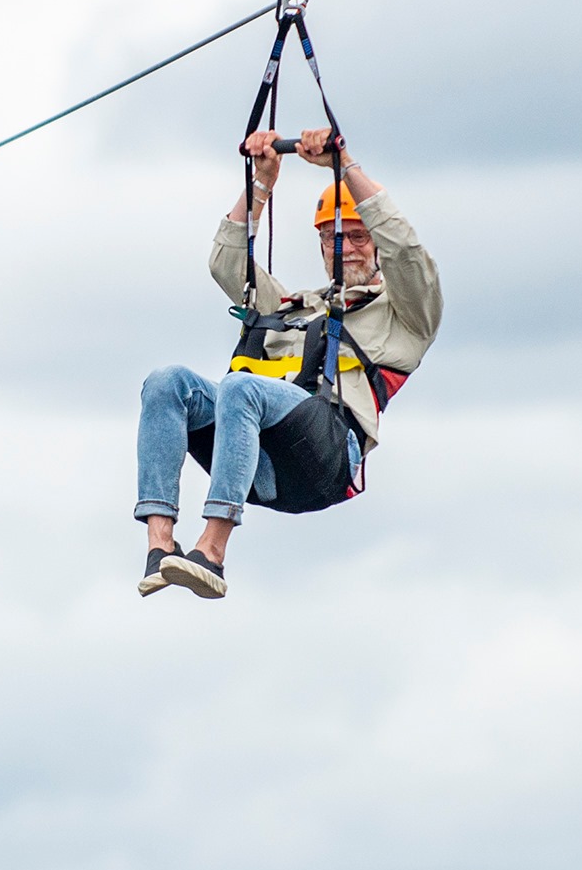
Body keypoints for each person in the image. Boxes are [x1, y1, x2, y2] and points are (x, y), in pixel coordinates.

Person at [135, 130, 441, 601]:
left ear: (375, 244)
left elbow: (407, 252)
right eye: (334, 237)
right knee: (166, 383)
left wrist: (344, 163)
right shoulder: (294, 307)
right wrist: (261, 183)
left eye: (359, 236)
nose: (347, 247)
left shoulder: (404, 314)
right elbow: (226, 265)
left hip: (326, 456)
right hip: (258, 456)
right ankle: (160, 547)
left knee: (240, 387)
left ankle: (211, 552)